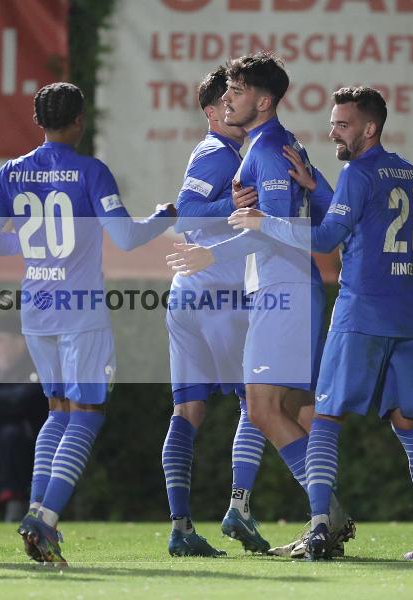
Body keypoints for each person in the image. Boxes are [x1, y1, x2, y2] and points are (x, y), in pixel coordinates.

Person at [227, 86, 413, 561]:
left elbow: (329, 238)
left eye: (343, 124)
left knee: (326, 419)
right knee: (409, 425)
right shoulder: (405, 172)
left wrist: (262, 222)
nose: (333, 131)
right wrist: (318, 187)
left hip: (361, 312)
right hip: (405, 316)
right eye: (332, 122)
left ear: (369, 128)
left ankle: (317, 530)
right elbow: (360, 214)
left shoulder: (356, 171)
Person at [0, 82, 175, 565]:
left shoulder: (12, 172)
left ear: (38, 120)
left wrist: (29, 244)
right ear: (80, 120)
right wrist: (164, 217)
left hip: (36, 311)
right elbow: (125, 238)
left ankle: (39, 511)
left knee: (58, 411)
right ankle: (43, 519)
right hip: (80, 313)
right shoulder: (91, 171)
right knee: (86, 415)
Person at [166, 52, 355, 556]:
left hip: (283, 292)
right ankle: (327, 514)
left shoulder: (266, 150)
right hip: (289, 290)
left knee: (263, 407)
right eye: (228, 90)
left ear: (264, 101)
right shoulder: (282, 145)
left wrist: (211, 252)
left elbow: (270, 233)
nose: (226, 98)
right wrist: (312, 189)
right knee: (295, 408)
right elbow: (328, 210)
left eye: (238, 91)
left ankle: (323, 519)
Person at [162, 65, 272, 557]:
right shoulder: (216, 152)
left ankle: (182, 527)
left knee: (190, 409)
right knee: (258, 402)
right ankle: (239, 507)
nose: (232, 106)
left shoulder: (225, 153)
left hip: (187, 295)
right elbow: (185, 213)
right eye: (225, 101)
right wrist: (231, 205)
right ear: (210, 111)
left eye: (237, 97)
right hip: (218, 296)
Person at [0, 318, 49, 522]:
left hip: (30, 451)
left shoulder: (36, 368)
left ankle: (16, 504)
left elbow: (19, 400)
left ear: (19, 343)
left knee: (10, 435)